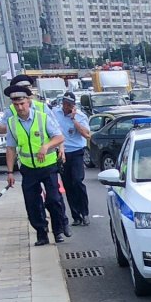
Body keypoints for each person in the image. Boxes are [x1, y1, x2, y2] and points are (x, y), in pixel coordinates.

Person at [2, 83, 67, 246]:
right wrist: (10, 172)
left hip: (48, 166)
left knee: (53, 199)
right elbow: (10, 148)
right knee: (32, 203)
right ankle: (41, 233)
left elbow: (59, 137)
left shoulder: (42, 117)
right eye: (16, 105)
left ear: (28, 102)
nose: (19, 107)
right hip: (28, 169)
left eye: (22, 103)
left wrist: (46, 146)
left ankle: (58, 230)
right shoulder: (12, 123)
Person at [52, 92, 92, 226]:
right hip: (62, 153)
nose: (66, 106)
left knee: (77, 181)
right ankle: (76, 216)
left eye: (69, 104)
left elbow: (86, 135)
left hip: (76, 152)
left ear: (73, 105)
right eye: (64, 103)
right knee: (68, 185)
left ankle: (84, 213)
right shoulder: (55, 113)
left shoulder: (80, 116)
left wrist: (73, 119)